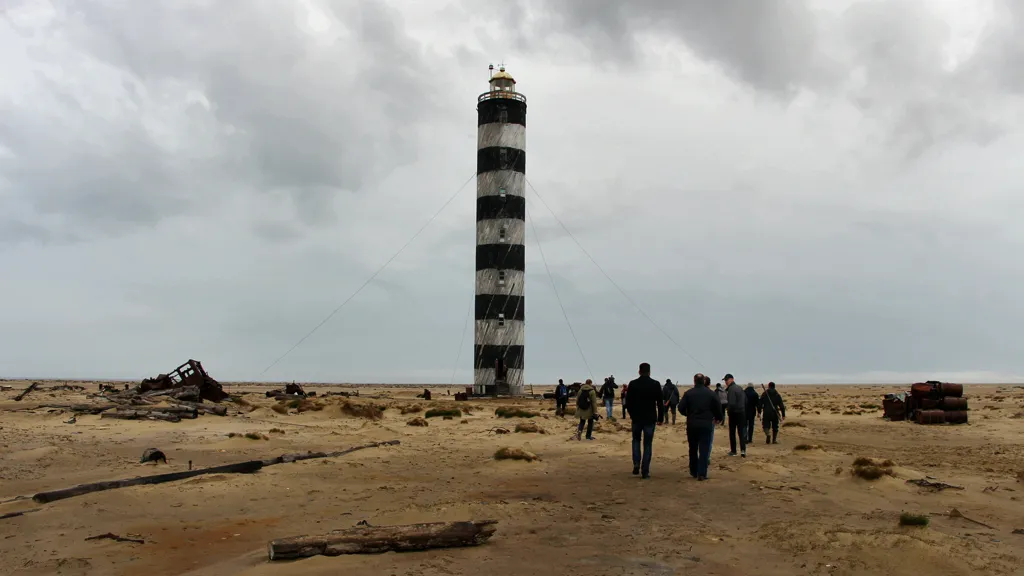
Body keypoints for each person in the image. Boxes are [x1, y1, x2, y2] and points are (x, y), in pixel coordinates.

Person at [680, 372, 722, 481]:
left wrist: (688, 414)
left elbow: (680, 407)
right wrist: (718, 417)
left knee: (693, 448)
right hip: (706, 424)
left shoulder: (688, 393)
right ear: (703, 381)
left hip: (692, 424)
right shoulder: (711, 394)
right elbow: (718, 407)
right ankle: (702, 473)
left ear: (694, 381)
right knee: (704, 448)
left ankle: (694, 471)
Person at [626, 362, 662, 479]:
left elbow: (628, 402)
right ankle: (645, 470)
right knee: (647, 444)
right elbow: (660, 403)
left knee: (636, 440)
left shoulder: (633, 384)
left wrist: (632, 414)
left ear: (639, 371)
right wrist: (660, 418)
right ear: (649, 372)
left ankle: (636, 463)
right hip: (650, 418)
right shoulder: (655, 384)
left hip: (637, 418)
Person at [724, 374, 747, 457]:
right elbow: (745, 401)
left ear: (731, 379)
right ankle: (743, 450)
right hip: (742, 412)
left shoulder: (731, 389)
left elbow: (732, 403)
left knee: (732, 432)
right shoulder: (740, 388)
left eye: (727, 380)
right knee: (741, 432)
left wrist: (728, 410)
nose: (726, 382)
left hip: (734, 413)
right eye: (725, 380)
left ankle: (734, 451)